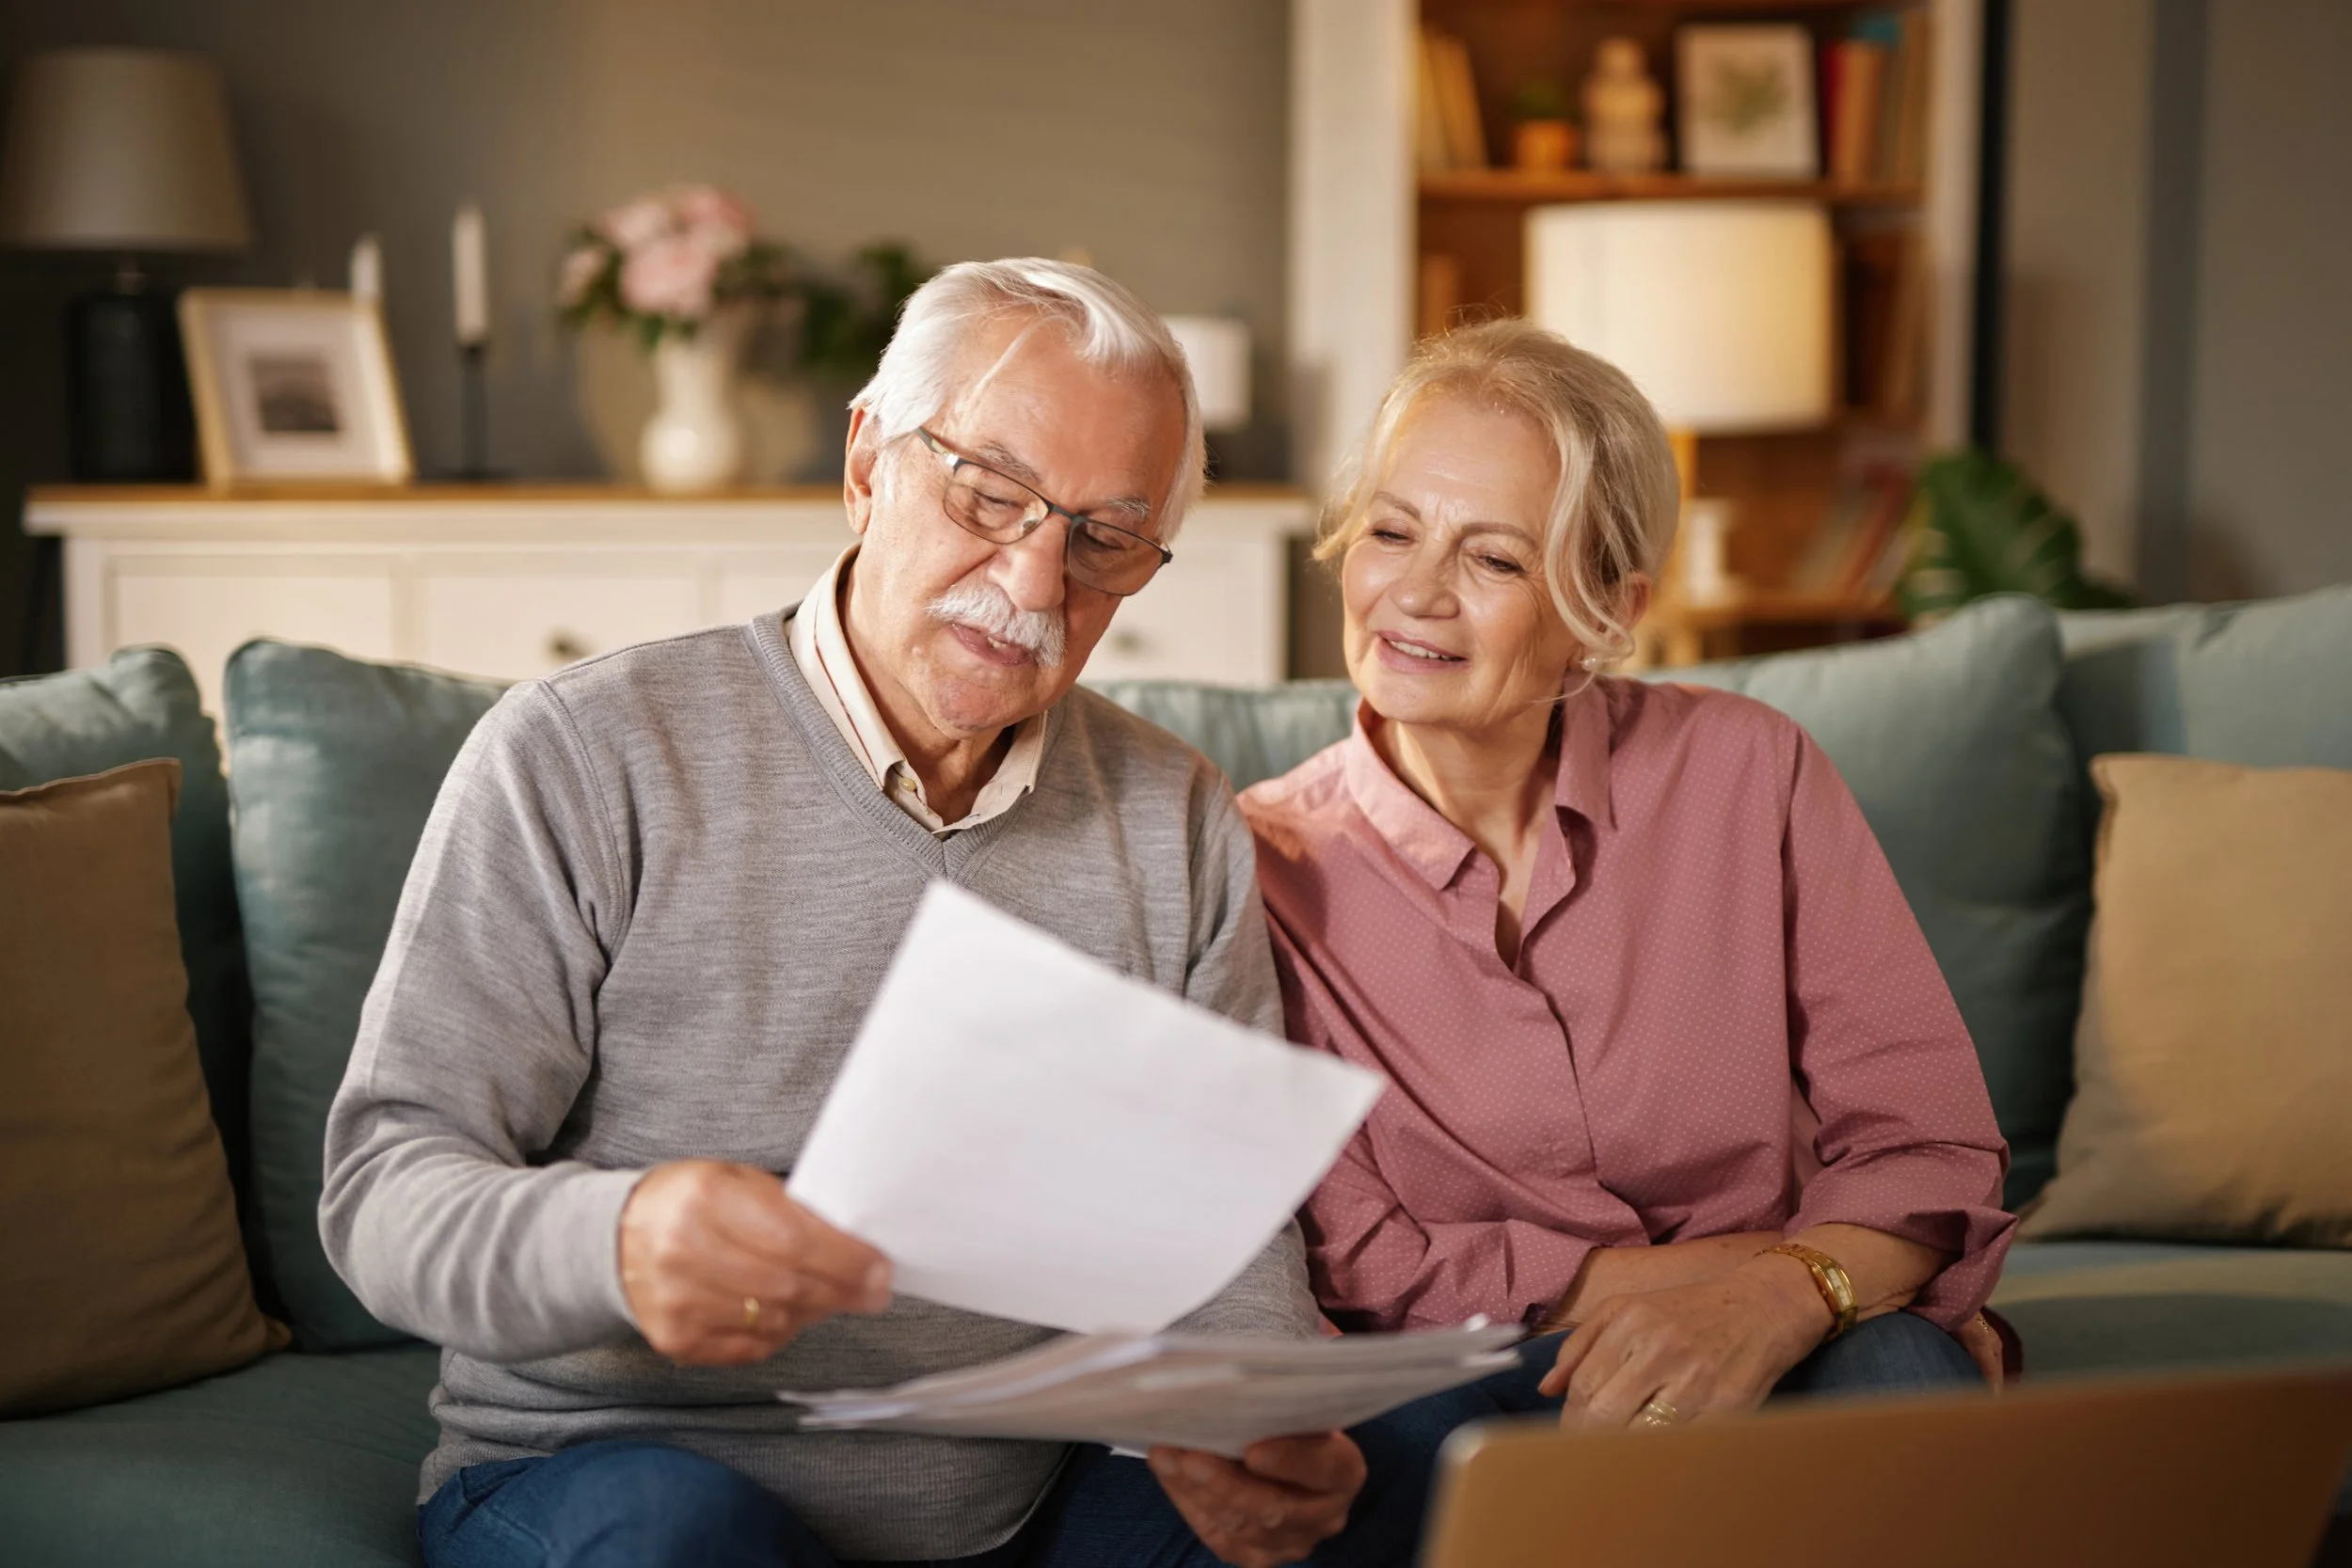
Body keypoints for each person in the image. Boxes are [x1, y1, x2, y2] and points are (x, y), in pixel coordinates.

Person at [321, 260, 1394, 1568]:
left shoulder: (1171, 814)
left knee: (1371, 1502)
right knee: (678, 1537)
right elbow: (382, 1189)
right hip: (614, 1473)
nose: (1036, 578)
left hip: (1012, 1496)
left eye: (1104, 538)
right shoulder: (583, 751)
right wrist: (613, 1235)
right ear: (867, 461)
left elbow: (1221, 1227)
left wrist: (1253, 1423)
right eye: (990, 494)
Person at [1239, 320, 2016, 1479]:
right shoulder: (1259, 867)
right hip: (1465, 1378)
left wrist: (1779, 1306)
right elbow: (1365, 1265)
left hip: (1798, 1345)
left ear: (1606, 611)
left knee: (1896, 1376)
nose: (1415, 590)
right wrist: (1783, 1273)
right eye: (1390, 530)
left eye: (1493, 559)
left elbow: (1929, 1145)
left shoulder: (1750, 772)